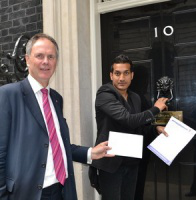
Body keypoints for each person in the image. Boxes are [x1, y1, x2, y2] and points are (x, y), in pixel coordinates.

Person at [0, 33, 113, 200]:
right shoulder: (8, 95)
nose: (46, 61)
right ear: (27, 59)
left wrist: (90, 153)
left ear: (56, 62)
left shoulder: (56, 98)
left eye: (51, 56)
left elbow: (57, 142)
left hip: (61, 190)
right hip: (26, 193)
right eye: (39, 56)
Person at [91, 54, 168, 200]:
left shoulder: (135, 97)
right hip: (111, 162)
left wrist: (155, 128)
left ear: (132, 75)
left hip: (131, 160)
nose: (121, 78)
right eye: (117, 73)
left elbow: (137, 127)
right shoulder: (105, 94)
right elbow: (128, 120)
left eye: (126, 73)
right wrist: (155, 109)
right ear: (111, 75)